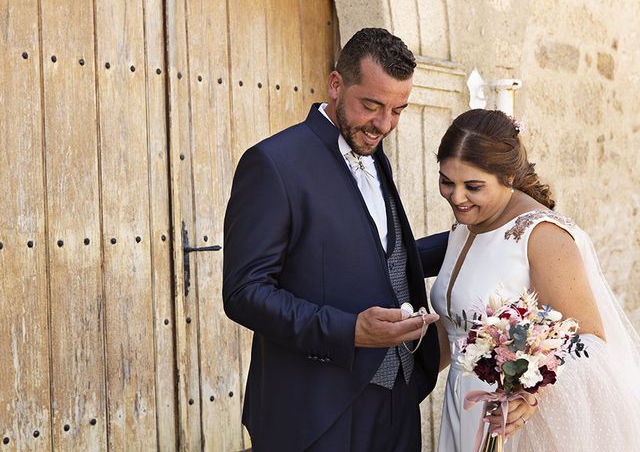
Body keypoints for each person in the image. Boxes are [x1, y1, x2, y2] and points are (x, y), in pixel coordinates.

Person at [223, 28, 448, 451]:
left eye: (398, 110)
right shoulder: (272, 164)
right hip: (317, 413)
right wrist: (349, 331)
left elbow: (380, 257)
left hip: (399, 400)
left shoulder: (372, 152)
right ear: (335, 84)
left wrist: (474, 238)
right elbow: (243, 292)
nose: (384, 124)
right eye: (372, 105)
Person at [430, 108, 640, 451]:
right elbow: (455, 326)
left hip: (516, 426)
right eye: (446, 182)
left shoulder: (541, 236)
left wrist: (529, 391)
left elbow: (590, 343)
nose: (456, 197)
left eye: (473, 186)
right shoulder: (464, 227)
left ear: (509, 177)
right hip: (462, 412)